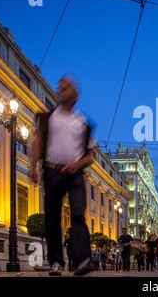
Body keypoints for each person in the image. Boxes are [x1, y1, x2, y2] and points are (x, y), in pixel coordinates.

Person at [31, 74, 95, 276]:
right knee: (51, 217)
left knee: (78, 214)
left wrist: (76, 164)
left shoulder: (82, 123)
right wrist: (33, 166)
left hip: (75, 173)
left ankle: (83, 259)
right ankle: (56, 262)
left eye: (66, 87)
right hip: (52, 170)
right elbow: (38, 141)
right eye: (61, 86)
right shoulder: (47, 118)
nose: (61, 89)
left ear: (75, 95)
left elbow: (91, 156)